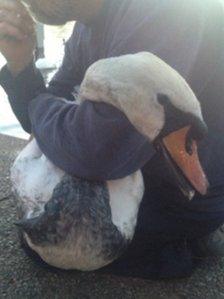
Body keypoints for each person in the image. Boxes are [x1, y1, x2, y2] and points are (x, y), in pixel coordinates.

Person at [0, 0, 224, 279]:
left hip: (179, 194)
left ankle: (184, 244)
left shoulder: (163, 11)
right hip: (136, 167)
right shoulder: (85, 27)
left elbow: (94, 152)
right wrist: (21, 64)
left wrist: (41, 105)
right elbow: (44, 125)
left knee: (58, 237)